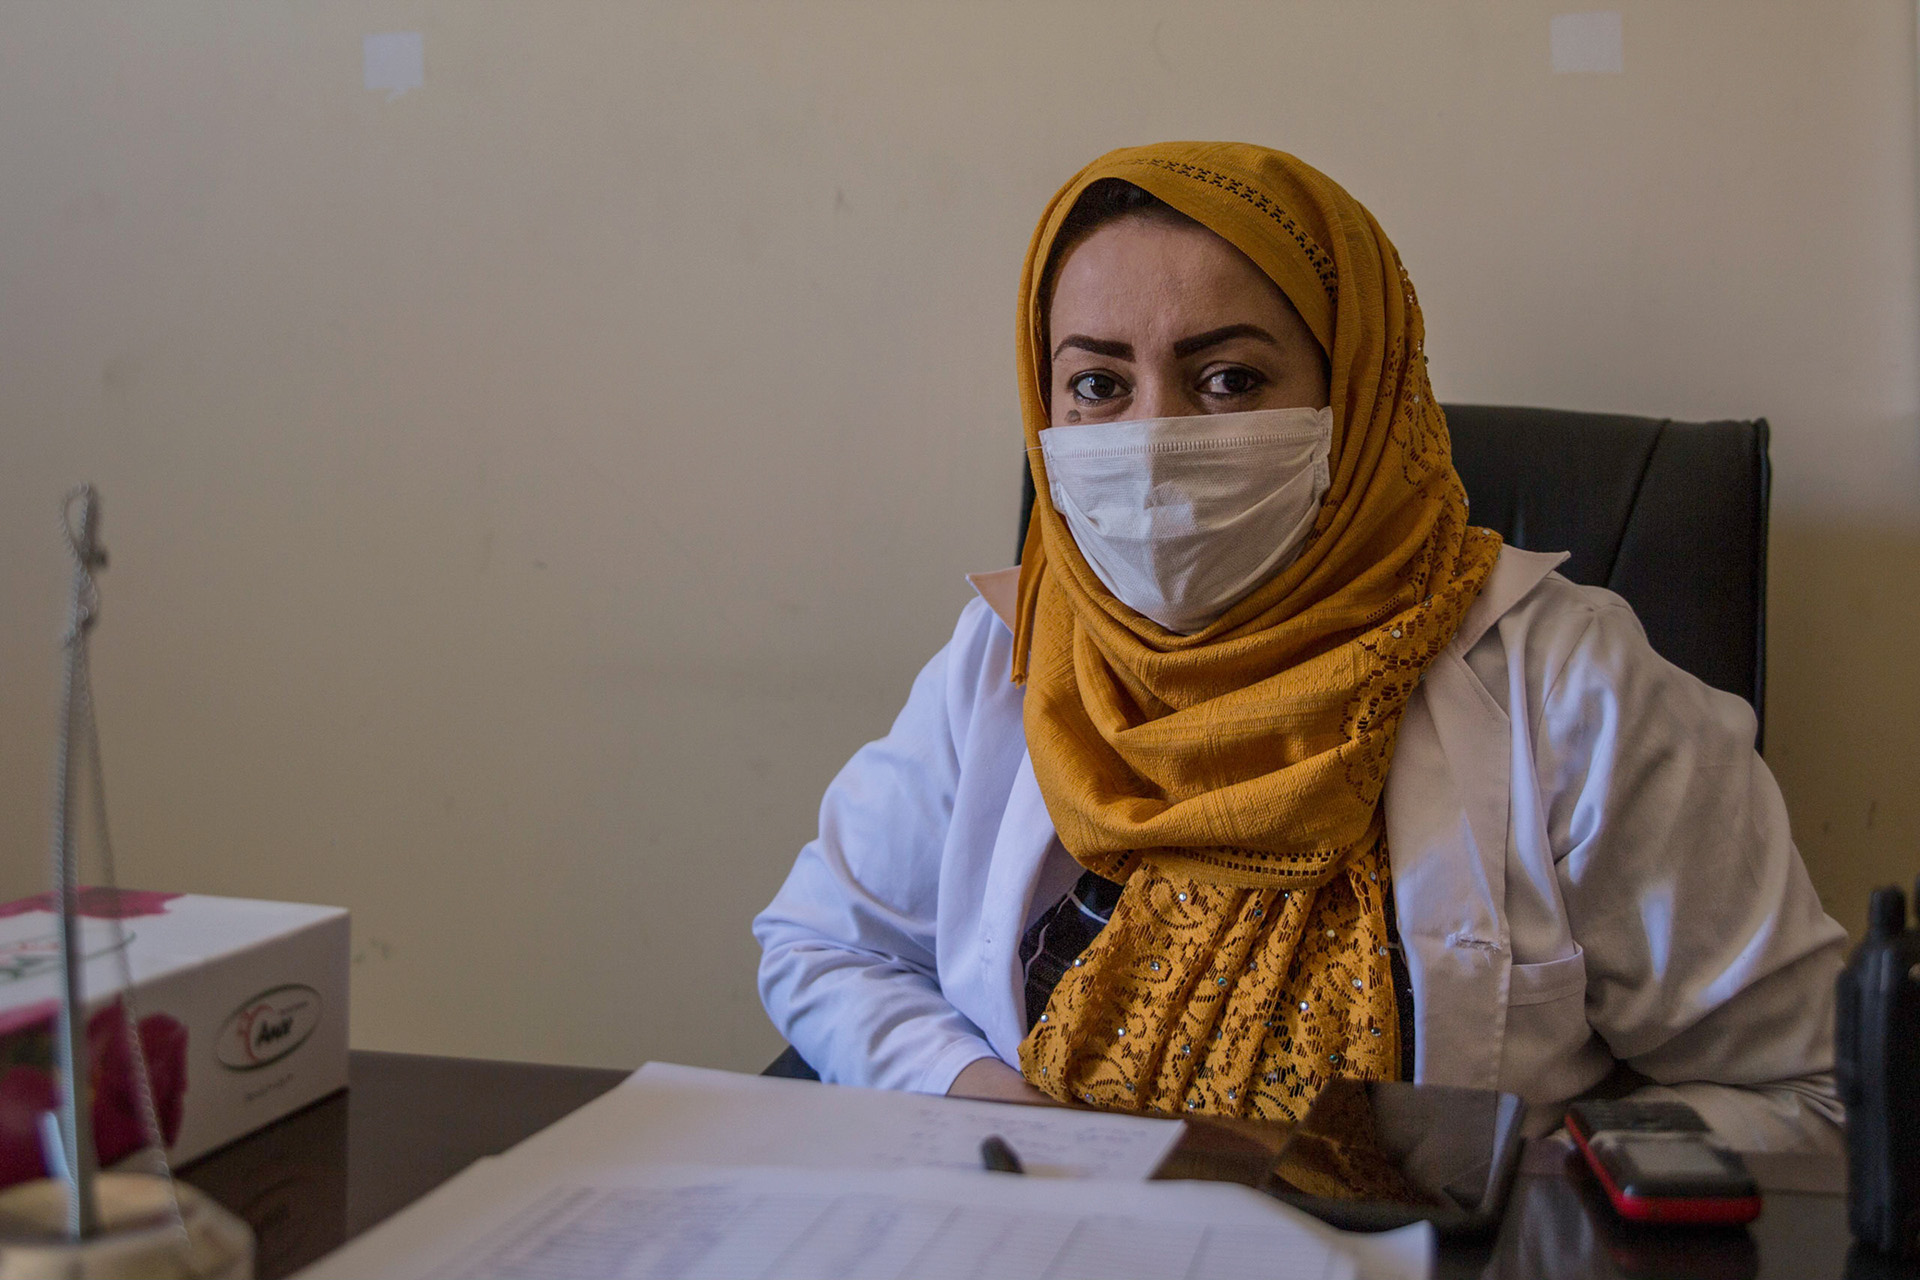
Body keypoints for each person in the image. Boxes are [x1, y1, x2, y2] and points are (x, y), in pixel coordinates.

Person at [754, 141, 1846, 1154]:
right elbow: (824, 944)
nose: (1152, 441)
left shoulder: (1567, 687)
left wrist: (1522, 1181)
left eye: (1227, 378)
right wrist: (976, 1094)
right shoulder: (1011, 658)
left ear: (1357, 392)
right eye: (1097, 383)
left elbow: (1810, 1088)